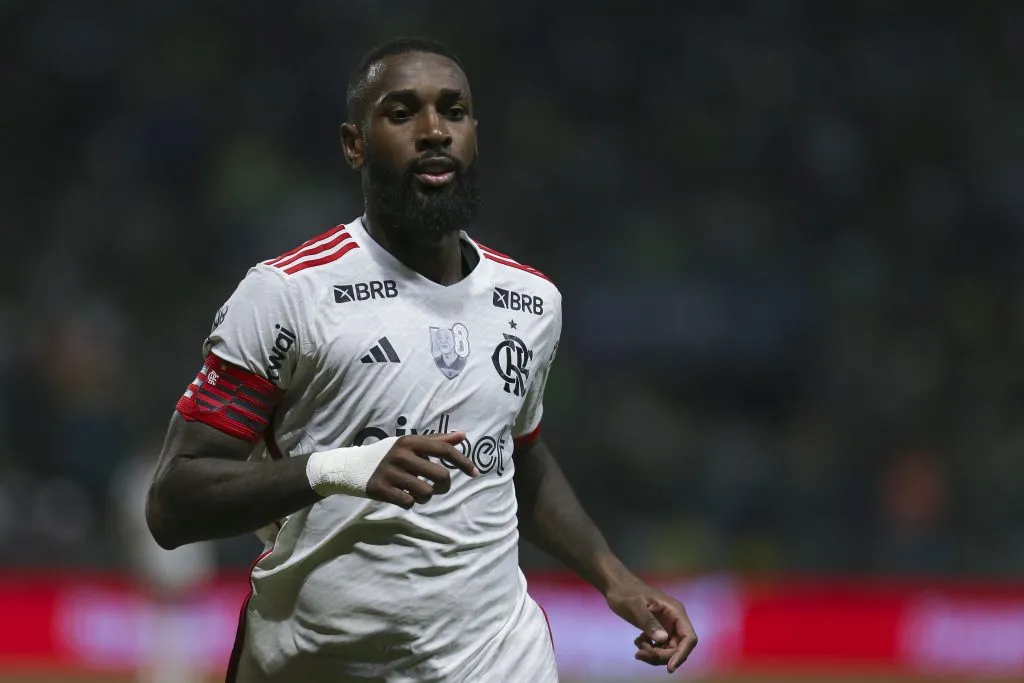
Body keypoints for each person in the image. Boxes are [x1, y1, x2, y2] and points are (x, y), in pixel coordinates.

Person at [145, 36, 698, 683]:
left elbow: (518, 456)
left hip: (497, 658)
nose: (434, 130)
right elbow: (173, 503)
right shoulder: (287, 295)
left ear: (474, 134)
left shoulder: (531, 301)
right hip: (315, 659)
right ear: (354, 144)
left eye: (453, 111)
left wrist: (615, 578)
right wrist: (342, 468)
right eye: (402, 112)